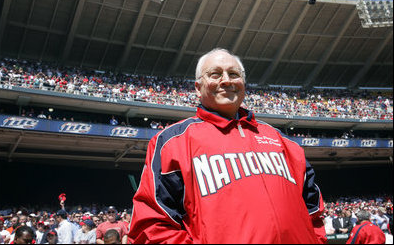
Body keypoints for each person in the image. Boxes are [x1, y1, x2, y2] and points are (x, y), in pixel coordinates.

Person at [128, 48, 327, 243]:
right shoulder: (172, 142)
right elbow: (151, 225)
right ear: (198, 87)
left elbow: (314, 211)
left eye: (233, 74)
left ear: (243, 83)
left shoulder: (284, 142)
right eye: (215, 74)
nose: (226, 80)